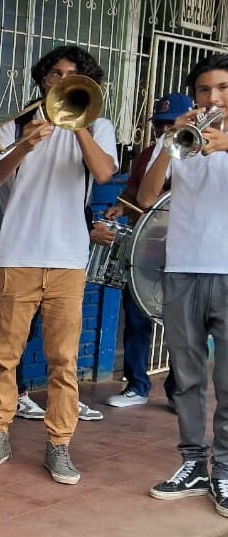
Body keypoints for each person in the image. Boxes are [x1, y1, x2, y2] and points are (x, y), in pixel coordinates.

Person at [0, 45, 118, 485]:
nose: (61, 80)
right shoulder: (14, 126)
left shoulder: (98, 124)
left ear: (85, 84)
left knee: (64, 361)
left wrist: (76, 127)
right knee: (5, 357)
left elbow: (105, 173)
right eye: (54, 73)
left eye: (72, 75)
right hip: (16, 255)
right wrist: (24, 145)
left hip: (68, 259)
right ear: (42, 79)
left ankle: (59, 446)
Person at [138, 54, 228, 512]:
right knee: (188, 377)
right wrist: (171, 144)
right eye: (205, 90)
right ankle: (194, 463)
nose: (213, 98)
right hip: (183, 271)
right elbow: (148, 196)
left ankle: (226, 469)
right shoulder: (180, 139)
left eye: (222, 89)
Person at [94, 93, 191, 410]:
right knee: (137, 317)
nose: (163, 130)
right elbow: (136, 194)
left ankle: (178, 391)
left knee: (182, 322)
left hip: (187, 251)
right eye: (159, 124)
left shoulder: (201, 154)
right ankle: (137, 385)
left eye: (169, 124)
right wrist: (119, 209)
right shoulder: (151, 153)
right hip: (147, 248)